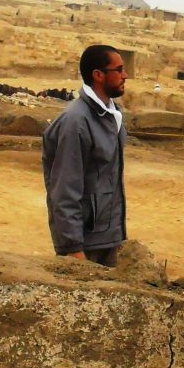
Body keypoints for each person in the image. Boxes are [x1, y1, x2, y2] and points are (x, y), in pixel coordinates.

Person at [42, 45, 127, 267]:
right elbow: (64, 190)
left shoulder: (112, 115)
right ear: (98, 75)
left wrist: (116, 236)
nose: (125, 75)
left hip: (107, 239)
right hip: (84, 246)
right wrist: (72, 248)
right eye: (119, 70)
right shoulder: (76, 122)